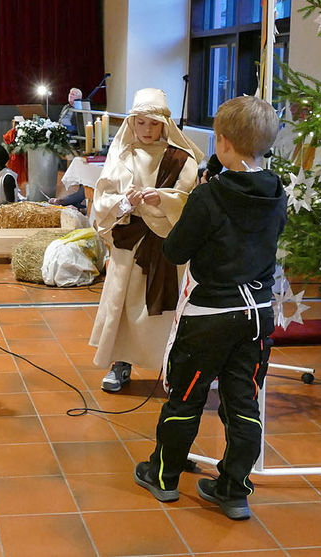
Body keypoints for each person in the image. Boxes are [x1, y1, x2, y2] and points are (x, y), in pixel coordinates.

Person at [133, 96, 286, 522]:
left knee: (186, 397)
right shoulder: (276, 191)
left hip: (209, 317)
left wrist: (196, 202)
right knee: (244, 404)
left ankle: (163, 475)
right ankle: (234, 489)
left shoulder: (210, 195)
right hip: (257, 313)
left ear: (222, 143)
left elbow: (177, 248)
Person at [89, 88, 203, 392]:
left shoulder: (182, 158)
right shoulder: (122, 154)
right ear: (131, 123)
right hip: (131, 241)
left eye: (153, 124)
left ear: (165, 124)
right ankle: (121, 362)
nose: (147, 130)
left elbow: (188, 200)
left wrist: (161, 199)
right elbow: (103, 198)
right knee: (124, 304)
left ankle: (171, 366)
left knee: (166, 308)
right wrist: (125, 202)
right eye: (141, 123)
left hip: (166, 241)